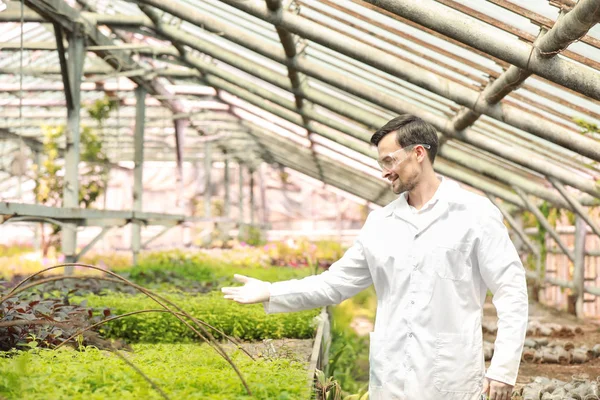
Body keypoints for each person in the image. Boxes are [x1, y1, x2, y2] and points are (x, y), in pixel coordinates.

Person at [222, 115, 528, 400]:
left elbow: (511, 291)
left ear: (418, 153)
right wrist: (271, 291)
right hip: (391, 375)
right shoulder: (380, 223)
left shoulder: (473, 213)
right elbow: (334, 284)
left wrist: (502, 368)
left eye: (389, 160)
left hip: (450, 376)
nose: (384, 170)